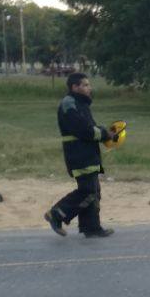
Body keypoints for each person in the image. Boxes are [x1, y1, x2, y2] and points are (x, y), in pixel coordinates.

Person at [44, 73, 116, 238]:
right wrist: (105, 134)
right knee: (88, 191)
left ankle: (91, 227)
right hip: (79, 155)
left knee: (93, 191)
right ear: (74, 87)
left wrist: (105, 133)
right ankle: (57, 214)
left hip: (87, 155)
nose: (89, 88)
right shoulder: (69, 104)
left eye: (88, 85)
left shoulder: (80, 104)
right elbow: (84, 130)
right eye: (85, 85)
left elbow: (90, 128)